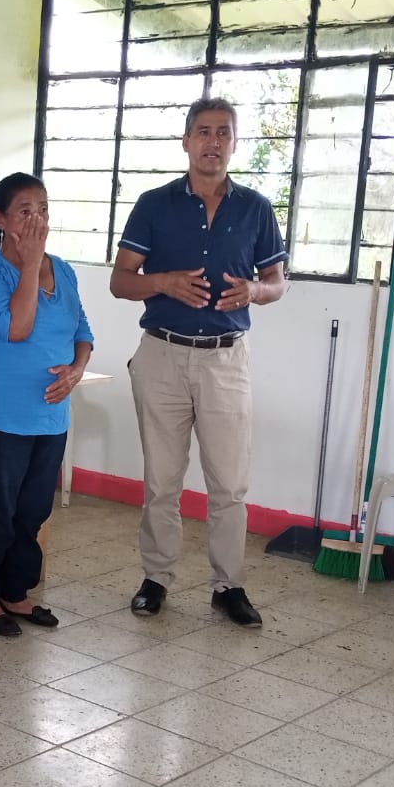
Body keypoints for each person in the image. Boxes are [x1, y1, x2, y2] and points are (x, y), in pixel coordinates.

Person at [109, 96, 287, 627]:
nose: (214, 141)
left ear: (234, 143)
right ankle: (156, 578)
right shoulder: (154, 204)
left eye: (224, 132)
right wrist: (164, 282)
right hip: (161, 354)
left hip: (225, 360)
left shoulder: (255, 208)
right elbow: (120, 282)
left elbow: (277, 283)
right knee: (161, 481)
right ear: (186, 141)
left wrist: (255, 291)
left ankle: (229, 586)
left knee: (229, 484)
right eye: (204, 132)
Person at [0, 172, 93, 637]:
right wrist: (32, 263)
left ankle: (15, 591)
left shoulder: (65, 269)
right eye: (24, 212)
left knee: (33, 511)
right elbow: (16, 328)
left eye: (43, 210)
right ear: (0, 219)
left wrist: (76, 371)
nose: (37, 220)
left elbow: (83, 331)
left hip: (50, 416)